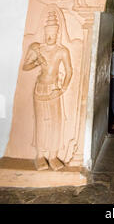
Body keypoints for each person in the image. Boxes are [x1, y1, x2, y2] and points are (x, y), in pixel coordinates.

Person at [22, 12, 73, 171]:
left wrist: (61, 90)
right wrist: (37, 61)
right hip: (40, 88)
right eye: (47, 33)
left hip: (53, 89)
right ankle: (40, 155)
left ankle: (52, 155)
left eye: (53, 33)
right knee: (41, 122)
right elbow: (25, 66)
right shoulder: (38, 48)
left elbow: (69, 72)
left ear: (57, 33)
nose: (50, 36)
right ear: (45, 33)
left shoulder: (61, 51)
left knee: (55, 123)